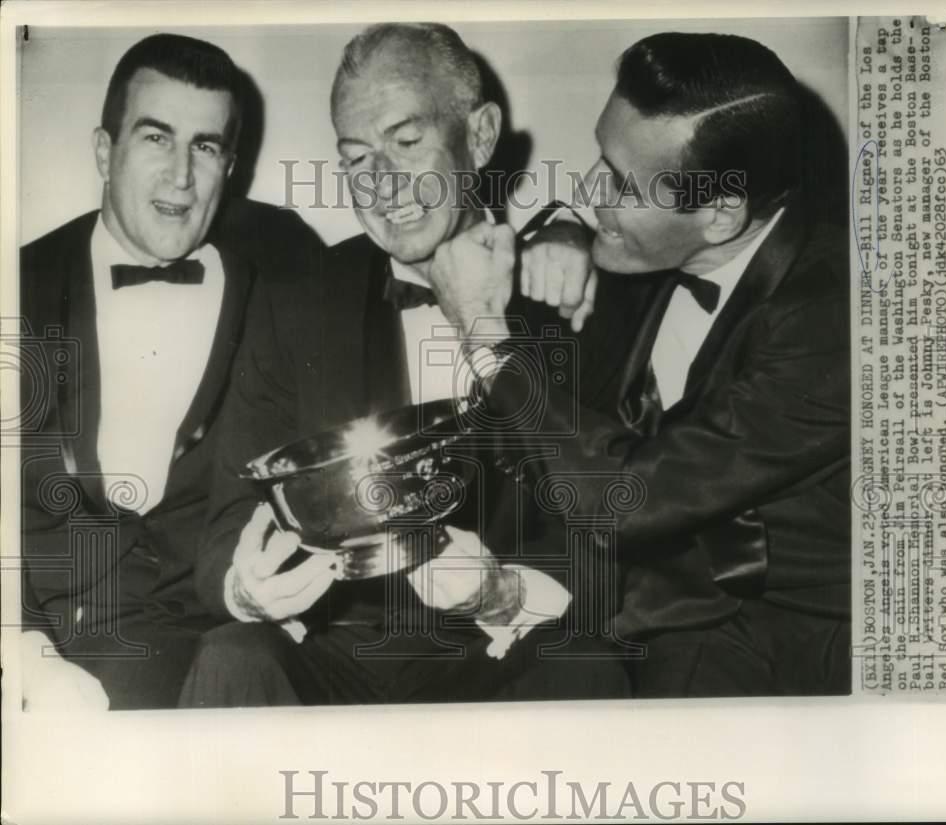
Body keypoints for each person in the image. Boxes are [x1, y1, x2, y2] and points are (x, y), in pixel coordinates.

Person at [180, 22, 630, 707]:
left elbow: (621, 538)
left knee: (587, 669)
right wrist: (247, 585)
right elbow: (224, 527)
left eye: (407, 143)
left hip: (508, 649)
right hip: (340, 650)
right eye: (358, 158)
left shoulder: (569, 292)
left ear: (478, 137)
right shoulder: (297, 298)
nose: (383, 184)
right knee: (231, 658)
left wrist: (505, 592)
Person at [427, 32, 851, 696]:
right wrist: (562, 229)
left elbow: (626, 499)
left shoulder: (834, 321)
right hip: (630, 617)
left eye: (621, 183)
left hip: (767, 657)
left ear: (719, 214)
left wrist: (484, 334)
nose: (591, 190)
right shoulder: (656, 253)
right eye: (601, 156)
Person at [18, 33, 324, 710]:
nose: (182, 176)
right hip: (63, 662)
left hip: (234, 650)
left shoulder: (283, 265)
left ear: (230, 164)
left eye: (206, 147)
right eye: (157, 138)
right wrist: (29, 658)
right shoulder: (21, 287)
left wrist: (560, 235)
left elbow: (399, 257)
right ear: (105, 151)